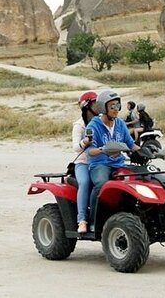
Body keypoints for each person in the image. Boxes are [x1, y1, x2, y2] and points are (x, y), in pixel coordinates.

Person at [85, 90, 141, 229]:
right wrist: (104, 149)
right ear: (103, 107)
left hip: (119, 164)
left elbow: (130, 144)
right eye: (112, 107)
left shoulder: (120, 123)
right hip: (100, 164)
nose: (116, 110)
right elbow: (89, 151)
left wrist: (146, 151)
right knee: (101, 184)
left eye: (118, 106)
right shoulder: (93, 126)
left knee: (138, 180)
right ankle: (93, 221)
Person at [72, 91, 98, 234]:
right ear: (87, 106)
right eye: (95, 103)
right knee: (85, 183)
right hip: (83, 163)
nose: (99, 106)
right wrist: (85, 141)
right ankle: (82, 220)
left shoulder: (102, 121)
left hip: (101, 161)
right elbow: (75, 147)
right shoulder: (79, 125)